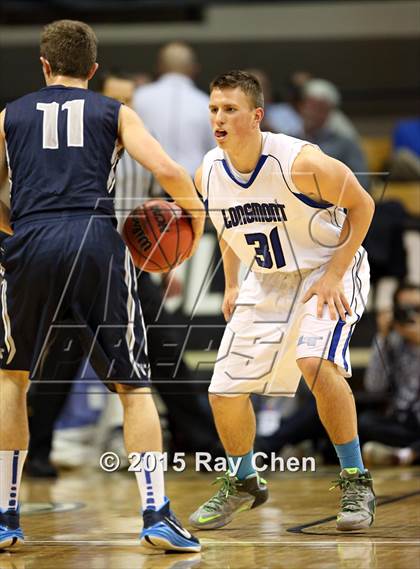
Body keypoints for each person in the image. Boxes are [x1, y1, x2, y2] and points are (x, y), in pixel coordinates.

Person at [0, 19, 204, 553]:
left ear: (43, 65)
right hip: (94, 240)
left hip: (31, 241)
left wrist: (18, 228)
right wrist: (195, 224)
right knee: (133, 387)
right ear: (92, 69)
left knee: (12, 379)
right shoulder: (115, 111)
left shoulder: (9, 115)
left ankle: (4, 516)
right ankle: (156, 513)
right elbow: (168, 170)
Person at [188, 70, 376, 532]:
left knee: (314, 361)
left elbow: (364, 205)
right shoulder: (208, 171)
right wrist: (231, 284)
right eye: (214, 109)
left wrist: (335, 274)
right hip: (268, 279)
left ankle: (356, 479)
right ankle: (245, 480)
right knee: (224, 392)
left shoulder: (300, 162)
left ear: (256, 115)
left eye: (230, 109)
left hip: (327, 264)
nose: (219, 117)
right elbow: (228, 229)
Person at [360, 282, 420, 466]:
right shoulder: (392, 341)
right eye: (405, 309)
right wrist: (383, 337)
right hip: (401, 421)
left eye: (417, 308)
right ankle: (409, 452)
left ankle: (407, 454)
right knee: (365, 421)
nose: (412, 315)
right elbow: (374, 386)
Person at [133, 41, 214, 177]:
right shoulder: (206, 104)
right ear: (194, 68)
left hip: (148, 186)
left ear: (159, 66)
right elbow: (216, 151)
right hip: (192, 186)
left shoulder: (138, 98)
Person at [300, 79, 369, 190]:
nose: (310, 112)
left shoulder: (346, 143)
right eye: (308, 106)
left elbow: (362, 183)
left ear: (329, 112)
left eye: (318, 108)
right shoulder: (289, 139)